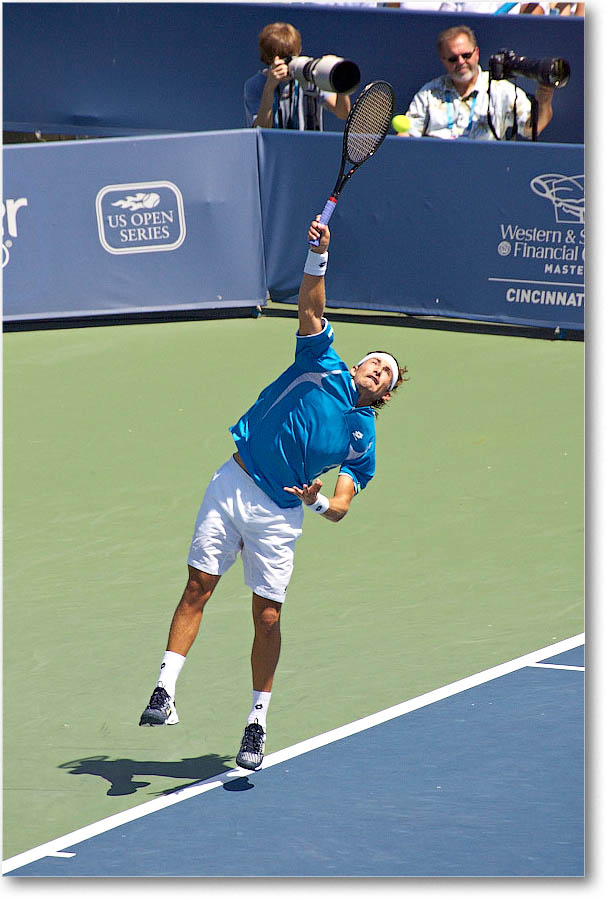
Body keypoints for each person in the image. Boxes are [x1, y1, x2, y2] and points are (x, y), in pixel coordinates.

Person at [139, 216, 407, 771]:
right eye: (376, 360)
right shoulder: (320, 362)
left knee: (266, 618)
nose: (378, 369)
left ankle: (256, 723)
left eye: (387, 374)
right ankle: (164, 691)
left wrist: (314, 499)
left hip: (280, 516)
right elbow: (311, 307)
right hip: (232, 483)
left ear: (383, 394)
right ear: (358, 362)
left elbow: (339, 508)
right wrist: (319, 257)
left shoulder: (363, 439)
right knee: (197, 587)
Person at [398, 25, 555, 140]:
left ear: (477, 53)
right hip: (436, 171)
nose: (461, 62)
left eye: (466, 55)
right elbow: (408, 134)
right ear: (443, 61)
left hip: (486, 171)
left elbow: (532, 130)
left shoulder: (500, 89)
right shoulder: (428, 93)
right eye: (453, 59)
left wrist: (545, 101)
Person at [244, 22, 351, 130]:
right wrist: (269, 87)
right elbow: (260, 129)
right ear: (268, 59)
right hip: (272, 146)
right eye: (281, 58)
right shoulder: (255, 85)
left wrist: (338, 77)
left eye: (289, 56)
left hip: (307, 145)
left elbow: (342, 113)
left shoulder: (311, 75)